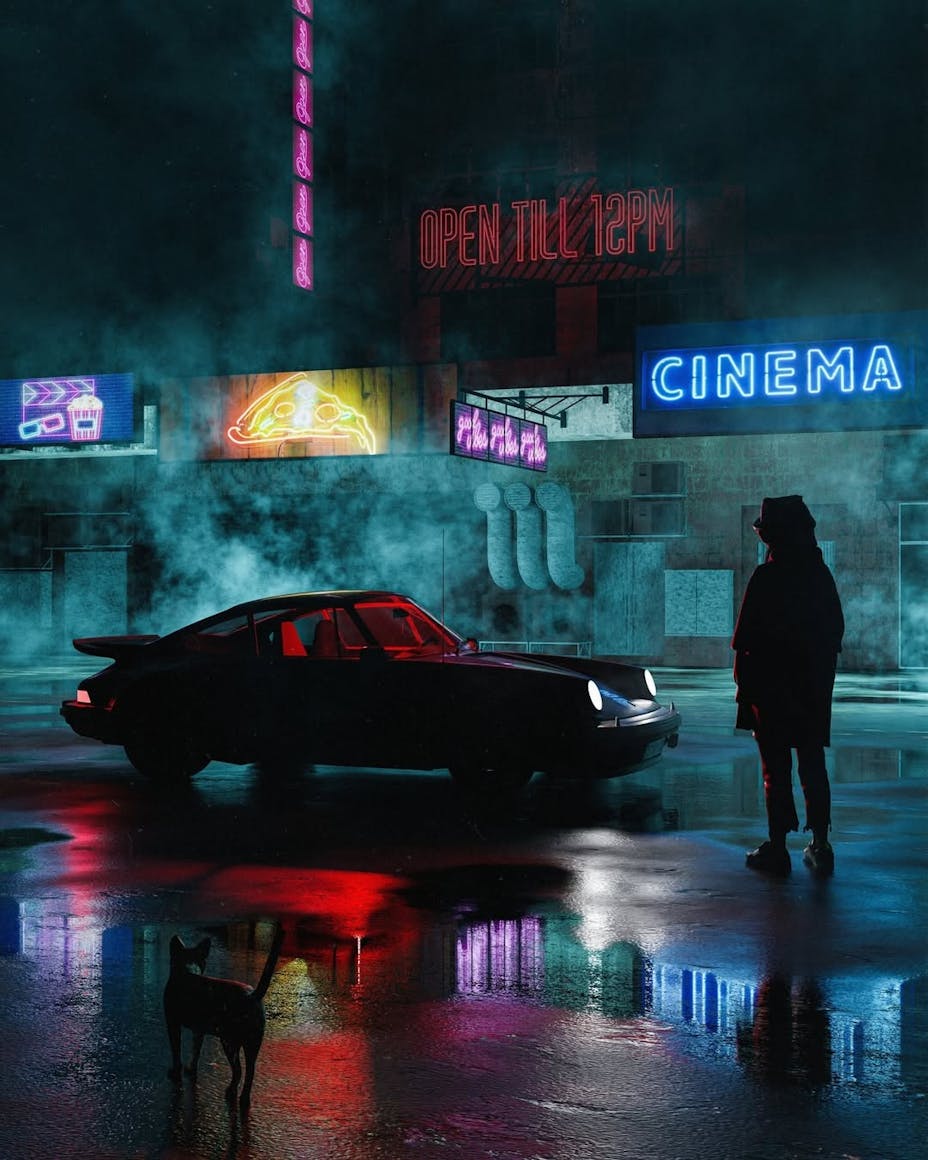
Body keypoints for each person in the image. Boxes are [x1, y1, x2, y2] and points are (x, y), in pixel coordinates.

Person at [732, 495, 845, 875]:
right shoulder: (820, 576)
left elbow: (745, 641)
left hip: (771, 693)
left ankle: (777, 846)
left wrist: (745, 690)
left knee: (775, 770)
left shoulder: (767, 577)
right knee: (813, 764)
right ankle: (821, 844)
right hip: (810, 690)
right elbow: (834, 633)